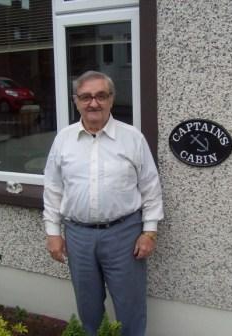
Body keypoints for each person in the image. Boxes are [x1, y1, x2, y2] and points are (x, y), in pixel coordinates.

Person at [43, 70, 164, 336]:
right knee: (88, 308)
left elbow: (150, 187)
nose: (93, 103)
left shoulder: (132, 138)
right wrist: (53, 233)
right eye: (86, 97)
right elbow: (53, 189)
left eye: (100, 95)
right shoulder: (63, 139)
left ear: (111, 98)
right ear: (76, 101)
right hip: (78, 235)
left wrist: (150, 232)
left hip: (125, 234)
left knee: (130, 307)